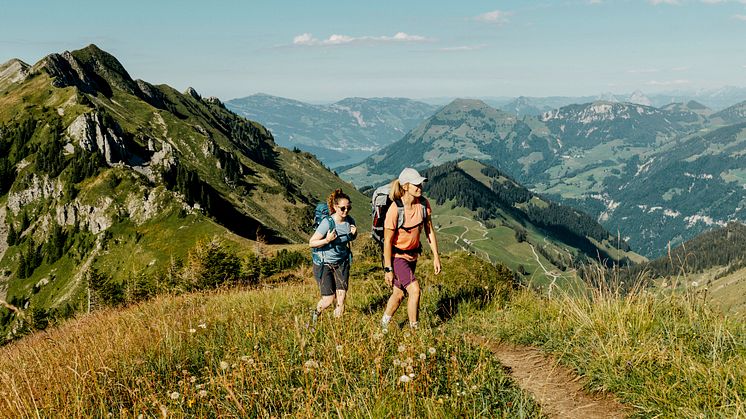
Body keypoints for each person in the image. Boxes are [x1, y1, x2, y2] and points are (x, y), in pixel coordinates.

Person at [381, 168, 441, 330]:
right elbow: (387, 242)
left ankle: (383, 324)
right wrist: (388, 268)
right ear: (405, 186)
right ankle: (415, 330)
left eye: (420, 183)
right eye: (416, 184)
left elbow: (429, 230)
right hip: (397, 257)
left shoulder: (423, 204)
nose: (420, 187)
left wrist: (436, 256)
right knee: (415, 290)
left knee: (399, 294)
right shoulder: (395, 209)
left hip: (413, 256)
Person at [309, 189, 357, 322]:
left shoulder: (350, 221)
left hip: (341, 262)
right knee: (329, 299)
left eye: (348, 208)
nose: (346, 211)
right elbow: (311, 243)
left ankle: (338, 328)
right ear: (335, 207)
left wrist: (354, 235)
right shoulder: (327, 223)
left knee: (341, 299)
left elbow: (347, 239)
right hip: (324, 264)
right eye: (342, 208)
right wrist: (327, 240)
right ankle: (314, 316)